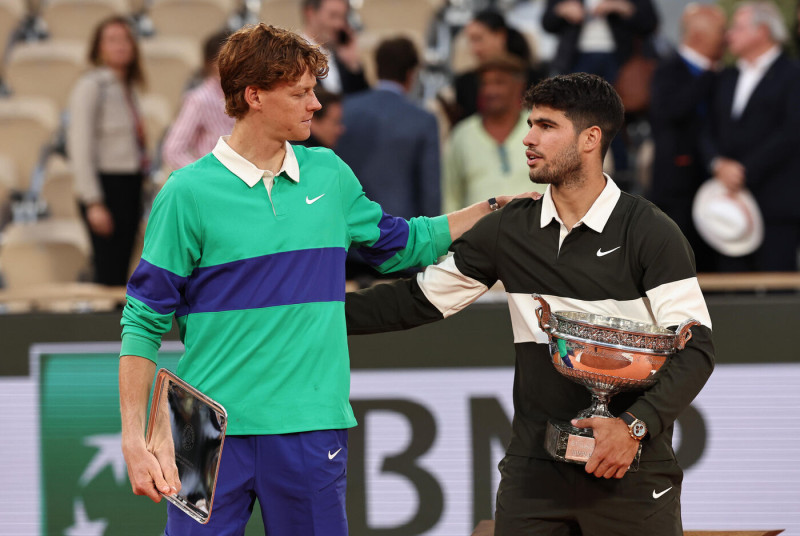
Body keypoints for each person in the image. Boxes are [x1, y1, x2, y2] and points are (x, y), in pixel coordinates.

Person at [118, 24, 528, 536]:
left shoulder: (330, 174)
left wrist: (491, 209)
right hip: (199, 428)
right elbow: (142, 320)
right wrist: (135, 439)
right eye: (301, 93)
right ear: (254, 96)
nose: (316, 104)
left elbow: (404, 243)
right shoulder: (185, 193)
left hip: (311, 422)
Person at [346, 73, 714, 535]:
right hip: (533, 474)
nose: (528, 138)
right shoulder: (509, 229)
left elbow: (696, 349)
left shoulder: (650, 231)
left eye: (545, 126)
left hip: (631, 468)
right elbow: (417, 299)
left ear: (590, 139)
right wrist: (312, 315)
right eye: (530, 123)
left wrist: (634, 426)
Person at [702, 0, 800, 271]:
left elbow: (791, 133)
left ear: (762, 31)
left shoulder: (793, 75)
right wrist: (718, 164)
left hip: (776, 205)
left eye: (738, 27)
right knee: (731, 294)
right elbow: (707, 128)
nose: (729, 34)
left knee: (775, 294)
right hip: (727, 209)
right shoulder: (727, 76)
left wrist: (744, 170)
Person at [67, 15, 148, 286]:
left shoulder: (128, 88)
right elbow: (79, 145)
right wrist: (93, 201)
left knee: (124, 269)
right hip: (106, 187)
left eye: (125, 39)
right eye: (112, 40)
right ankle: (103, 327)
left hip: (129, 183)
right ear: (99, 48)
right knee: (108, 272)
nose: (120, 46)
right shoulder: (92, 86)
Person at [648, 3, 726, 273]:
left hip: (717, 188)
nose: (726, 39)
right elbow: (670, 111)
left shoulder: (725, 75)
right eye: (721, 31)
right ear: (699, 36)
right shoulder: (667, 70)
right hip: (677, 190)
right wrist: (707, 76)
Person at [336, 36, 440, 219]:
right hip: (401, 233)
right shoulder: (423, 120)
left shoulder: (343, 110)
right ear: (411, 74)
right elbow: (430, 191)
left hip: (347, 228)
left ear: (376, 69)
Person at [443, 54, 547, 214]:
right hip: (477, 236)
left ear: (519, 86)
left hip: (538, 234)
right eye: (485, 83)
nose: (490, 91)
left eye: (499, 82)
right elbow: (450, 197)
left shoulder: (541, 128)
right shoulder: (462, 135)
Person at [453, 8, 546, 123]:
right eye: (471, 41)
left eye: (478, 39)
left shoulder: (535, 79)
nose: (474, 49)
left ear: (500, 36)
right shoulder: (465, 83)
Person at [161, 30, 235, 171]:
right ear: (212, 64)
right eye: (228, 58)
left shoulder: (251, 96)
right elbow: (173, 150)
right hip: (214, 182)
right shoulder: (199, 99)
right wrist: (204, 175)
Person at [542, 0, 658, 81]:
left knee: (617, 106)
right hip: (575, 58)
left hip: (621, 58)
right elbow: (547, 23)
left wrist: (622, 7)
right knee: (576, 107)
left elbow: (650, 22)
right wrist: (561, 10)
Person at [300, 0, 368, 95]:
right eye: (333, 15)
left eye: (343, 17)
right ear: (310, 13)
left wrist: (353, 64)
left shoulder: (341, 58)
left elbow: (362, 102)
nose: (339, 24)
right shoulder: (293, 58)